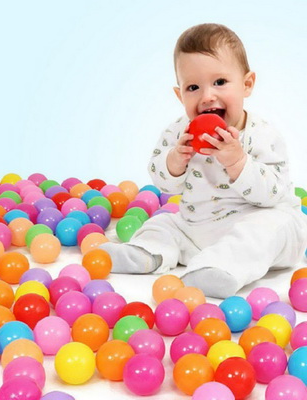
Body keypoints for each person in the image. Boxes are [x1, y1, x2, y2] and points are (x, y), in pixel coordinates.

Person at [101, 23, 307, 298]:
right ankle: (146, 252)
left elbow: (274, 193)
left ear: (246, 85)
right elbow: (164, 183)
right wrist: (175, 162)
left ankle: (221, 268)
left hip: (257, 222)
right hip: (196, 229)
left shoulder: (262, 134)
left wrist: (238, 162)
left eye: (220, 82)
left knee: (271, 227)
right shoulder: (179, 133)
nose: (207, 96)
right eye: (193, 87)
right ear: (180, 95)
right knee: (164, 224)